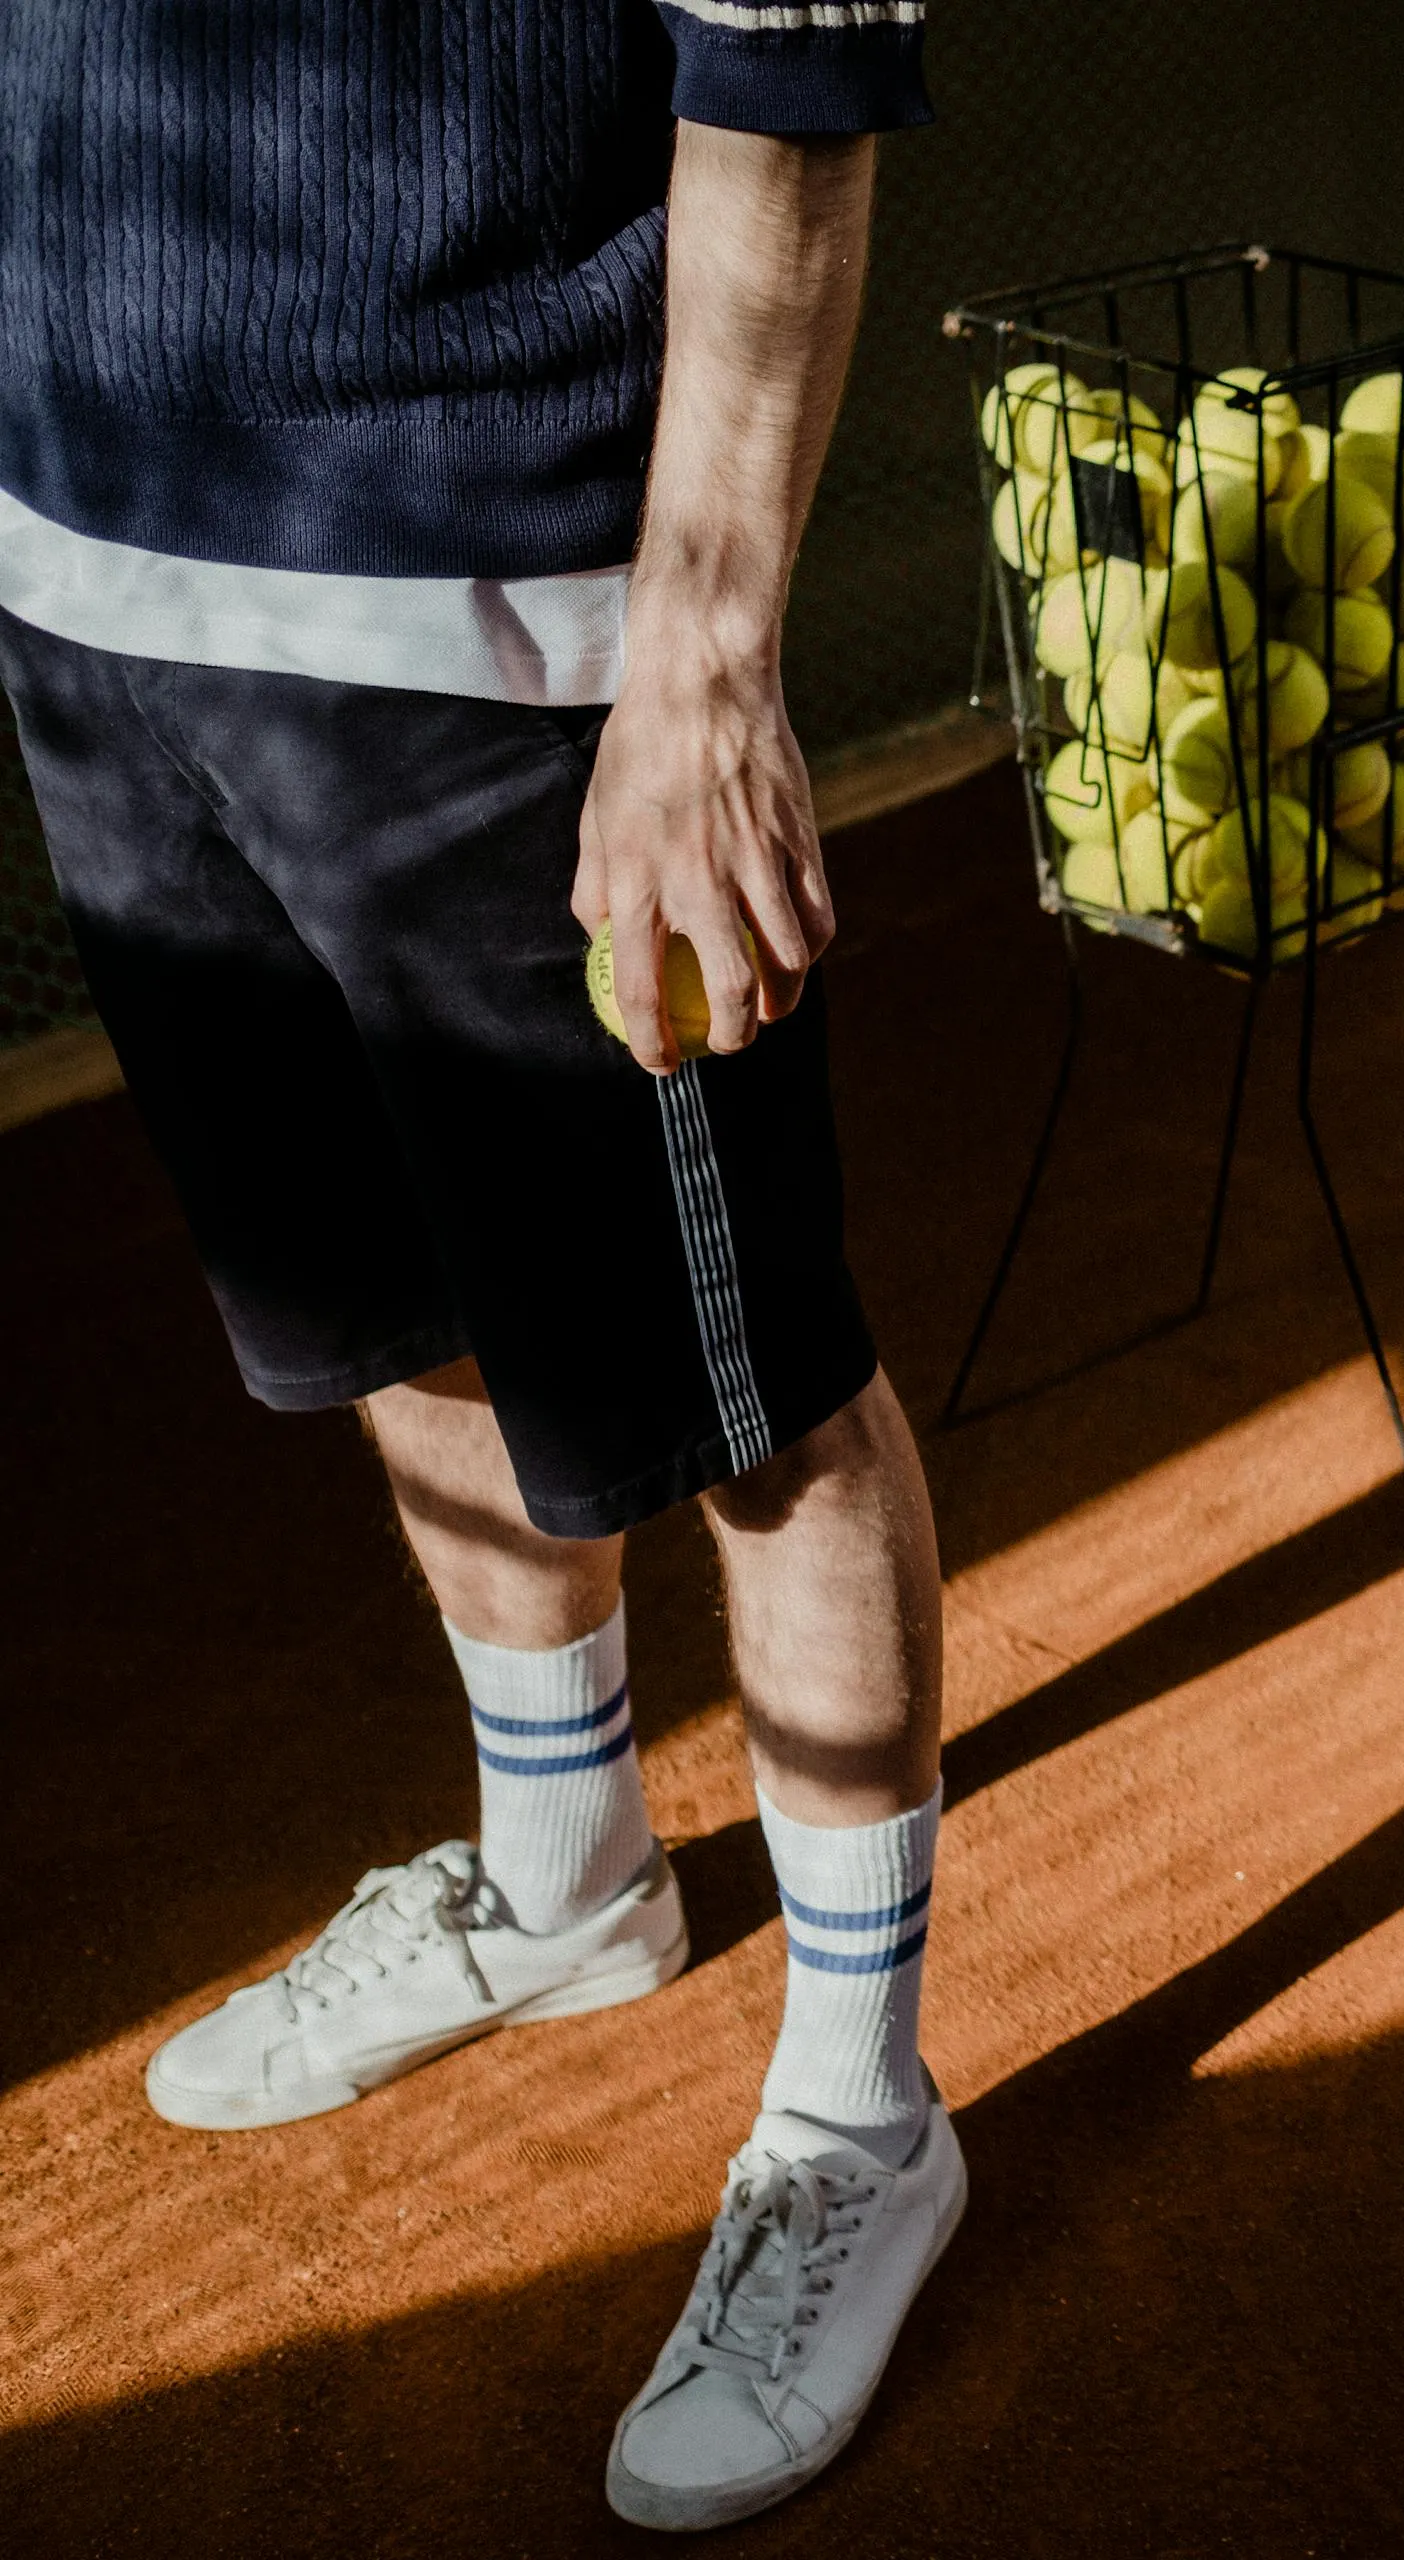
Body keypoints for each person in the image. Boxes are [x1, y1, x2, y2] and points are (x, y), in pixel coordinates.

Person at [0, 4, 954, 2532]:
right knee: (386, 1317)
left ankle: (863, 2108)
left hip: (514, 611)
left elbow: (790, 66)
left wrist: (705, 655)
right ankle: (568, 1879)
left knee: (751, 1399)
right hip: (88, 560)